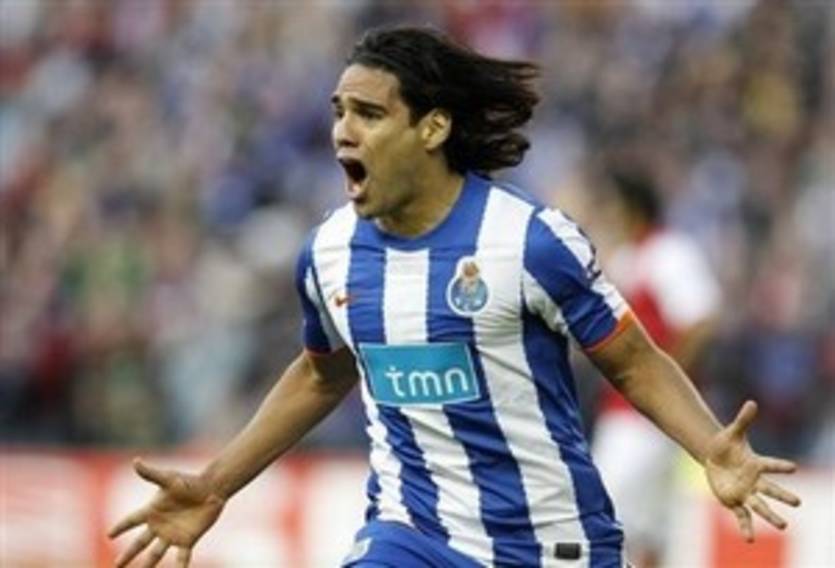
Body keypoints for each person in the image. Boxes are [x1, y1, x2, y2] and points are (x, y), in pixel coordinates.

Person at [108, 26, 800, 568]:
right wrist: (216, 483)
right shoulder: (328, 253)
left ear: (432, 128)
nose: (344, 131)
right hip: (410, 533)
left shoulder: (529, 241)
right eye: (339, 112)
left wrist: (710, 447)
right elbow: (321, 373)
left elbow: (634, 362)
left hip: (548, 542)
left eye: (369, 114)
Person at [590, 165, 721, 568]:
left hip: (639, 416)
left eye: (611, 204)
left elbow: (700, 320)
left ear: (632, 205)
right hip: (636, 413)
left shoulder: (669, 252)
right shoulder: (628, 256)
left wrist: (662, 383)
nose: (606, 214)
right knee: (649, 528)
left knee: (603, 513)